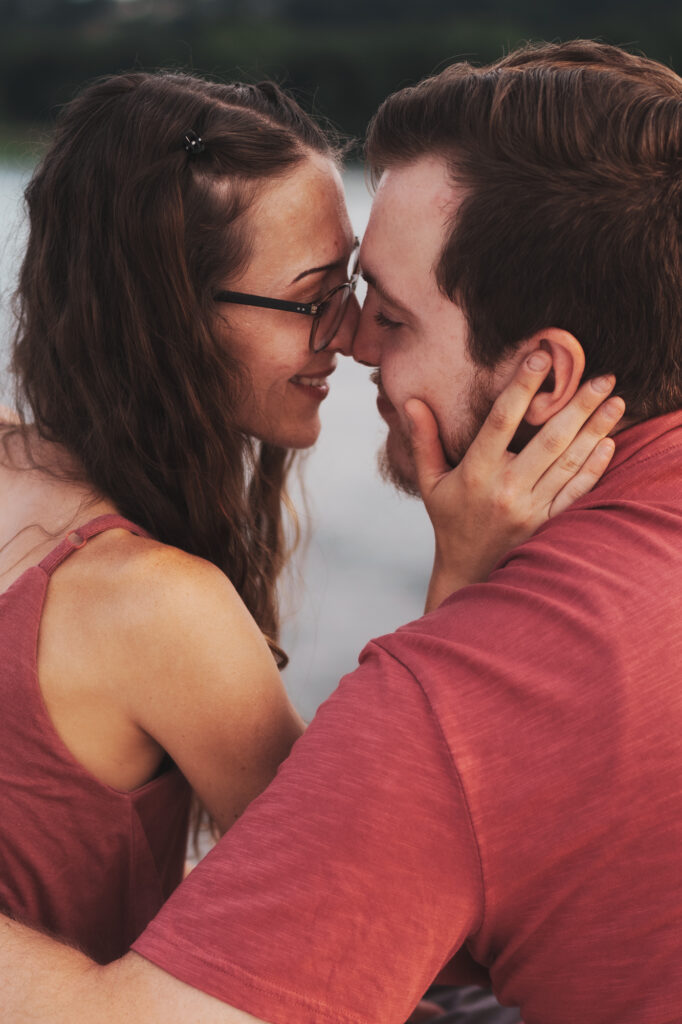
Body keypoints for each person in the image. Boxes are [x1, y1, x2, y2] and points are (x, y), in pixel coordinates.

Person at [5, 37, 679, 1023]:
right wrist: (462, 600)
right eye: (315, 299)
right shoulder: (157, 605)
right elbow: (362, 903)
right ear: (172, 317)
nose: (352, 335)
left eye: (366, 299)